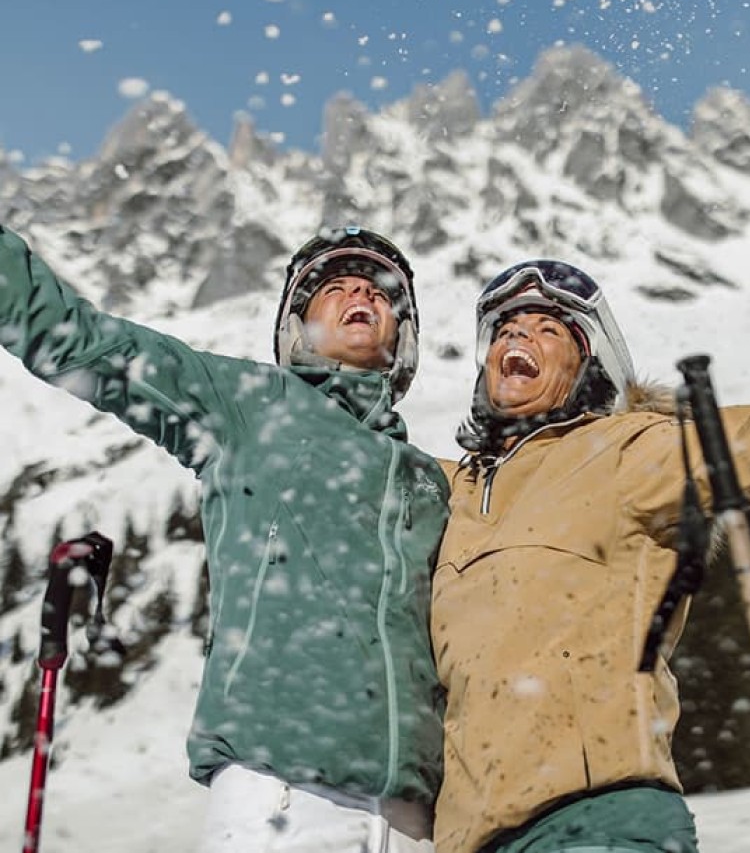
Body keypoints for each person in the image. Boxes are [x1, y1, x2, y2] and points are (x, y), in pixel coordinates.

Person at [0, 222, 449, 853]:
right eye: (336, 288)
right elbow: (81, 341)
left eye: (381, 292)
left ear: (403, 337)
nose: (363, 295)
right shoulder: (249, 406)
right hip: (282, 795)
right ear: (297, 329)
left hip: (414, 821)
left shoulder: (433, 480)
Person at [430, 258, 750, 853]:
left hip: (597, 818)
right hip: (470, 838)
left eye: (548, 329)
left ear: (587, 368)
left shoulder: (624, 452)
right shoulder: (452, 493)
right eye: (506, 329)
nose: (519, 337)